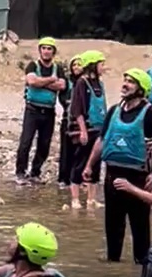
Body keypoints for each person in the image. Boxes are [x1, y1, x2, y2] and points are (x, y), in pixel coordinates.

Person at [86, 68, 152, 264]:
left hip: (137, 177)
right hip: (112, 174)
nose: (125, 84)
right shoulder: (114, 110)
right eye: (125, 80)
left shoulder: (151, 113)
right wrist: (89, 166)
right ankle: (113, 264)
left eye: (131, 82)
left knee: (140, 226)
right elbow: (102, 140)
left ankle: (142, 263)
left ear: (141, 89)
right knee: (113, 225)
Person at [14, 38, 66, 184]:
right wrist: (51, 80)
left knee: (44, 144)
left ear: (53, 52)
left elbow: (62, 85)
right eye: (44, 48)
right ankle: (20, 172)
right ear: (40, 50)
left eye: (49, 49)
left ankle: (35, 172)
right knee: (25, 142)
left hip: (49, 111)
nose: (46, 51)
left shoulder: (58, 68)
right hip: (32, 109)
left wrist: (40, 83)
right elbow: (31, 81)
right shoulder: (33, 65)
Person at [68, 51, 106, 210]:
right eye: (101, 64)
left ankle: (91, 199)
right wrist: (83, 130)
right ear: (92, 65)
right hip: (86, 129)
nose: (103, 67)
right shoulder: (82, 83)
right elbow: (77, 109)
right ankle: (75, 199)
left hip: (99, 129)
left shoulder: (100, 84)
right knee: (80, 162)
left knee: (96, 163)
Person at [56, 57, 83, 189]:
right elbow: (62, 96)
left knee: (80, 151)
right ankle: (63, 178)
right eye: (74, 65)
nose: (76, 67)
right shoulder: (68, 81)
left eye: (79, 65)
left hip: (83, 121)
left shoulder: (86, 82)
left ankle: (77, 178)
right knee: (66, 150)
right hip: (68, 119)